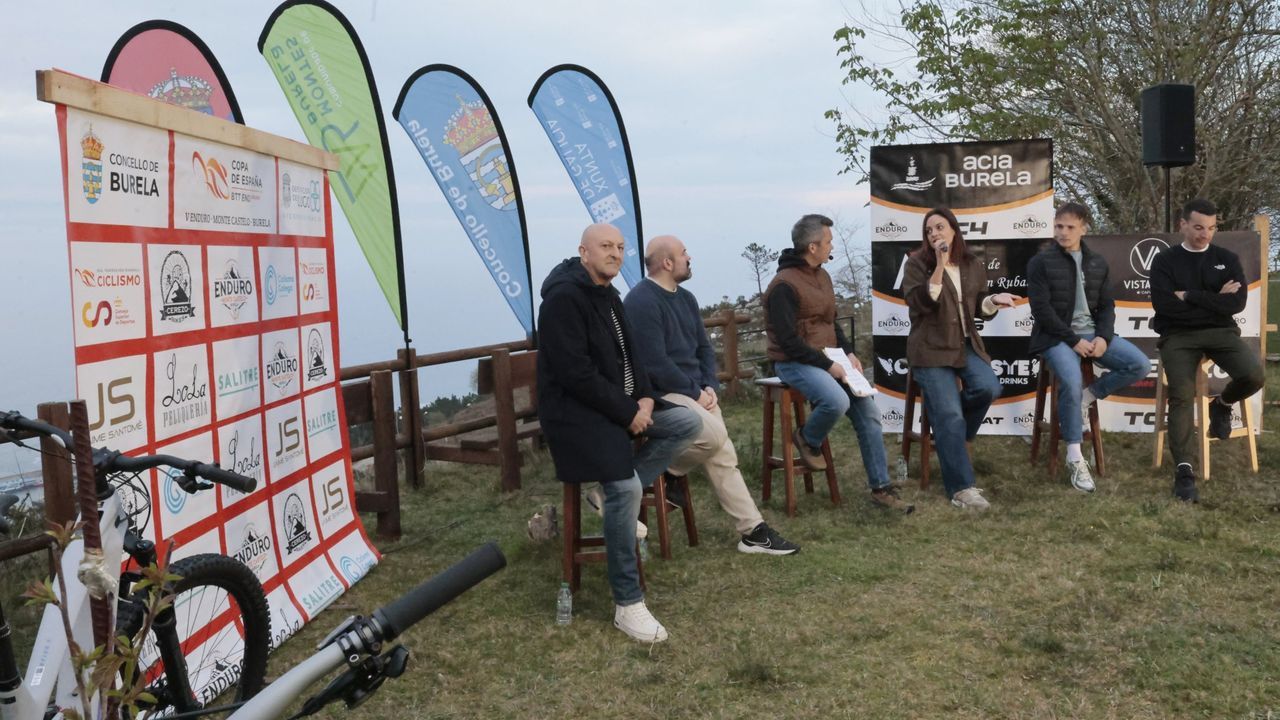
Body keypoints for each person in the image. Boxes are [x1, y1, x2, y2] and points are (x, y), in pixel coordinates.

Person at [536, 223, 702, 643]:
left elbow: (634, 358)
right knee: (627, 490)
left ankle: (607, 495)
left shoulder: (610, 295)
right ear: (584, 252)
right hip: (578, 416)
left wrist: (645, 399)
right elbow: (576, 374)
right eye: (606, 246)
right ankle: (628, 603)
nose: (615, 253)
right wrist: (628, 412)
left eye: (621, 247)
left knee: (687, 421)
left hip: (621, 408)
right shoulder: (563, 300)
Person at [624, 234, 801, 554]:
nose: (689, 257)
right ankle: (634, 482)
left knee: (723, 455)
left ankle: (751, 530)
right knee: (718, 438)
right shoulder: (641, 302)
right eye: (683, 253)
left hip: (696, 394)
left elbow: (704, 350)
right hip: (663, 396)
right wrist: (694, 392)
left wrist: (709, 387)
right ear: (667, 262)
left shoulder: (687, 299)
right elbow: (654, 363)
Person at [763, 214, 912, 513]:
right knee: (835, 400)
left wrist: (849, 352)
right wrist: (827, 364)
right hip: (792, 362)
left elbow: (832, 323)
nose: (832, 246)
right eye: (828, 241)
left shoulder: (823, 276)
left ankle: (881, 488)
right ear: (813, 246)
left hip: (828, 358)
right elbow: (789, 342)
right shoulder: (783, 286)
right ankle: (807, 438)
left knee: (869, 412)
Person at [1026, 202, 1150, 492]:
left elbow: (1107, 305)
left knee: (1140, 364)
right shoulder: (1040, 262)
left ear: (1084, 228)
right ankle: (1075, 456)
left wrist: (1103, 337)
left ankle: (1088, 396)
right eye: (1059, 226)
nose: (1063, 232)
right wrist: (1074, 340)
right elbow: (1041, 310)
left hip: (1093, 333)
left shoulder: (1097, 262)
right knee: (1069, 381)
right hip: (1055, 338)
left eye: (1070, 227)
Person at [900, 207, 1018, 510]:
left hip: (964, 345)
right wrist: (938, 266)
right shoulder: (916, 264)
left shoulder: (971, 263)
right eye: (929, 231)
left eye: (940, 227)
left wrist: (993, 299)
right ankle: (962, 489)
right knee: (949, 415)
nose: (934, 233)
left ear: (953, 230)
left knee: (989, 388)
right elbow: (922, 303)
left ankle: (949, 434)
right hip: (929, 349)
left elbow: (978, 305)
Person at [1150, 198, 1264, 502]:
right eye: (1199, 227)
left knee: (1254, 375)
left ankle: (1222, 405)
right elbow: (1164, 307)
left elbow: (1236, 303)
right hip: (1178, 335)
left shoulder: (1226, 257)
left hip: (1221, 332)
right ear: (1183, 225)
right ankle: (1184, 471)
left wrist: (1189, 295)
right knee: (1181, 395)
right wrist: (1213, 301)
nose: (1205, 234)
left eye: (1211, 228)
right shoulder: (1165, 261)